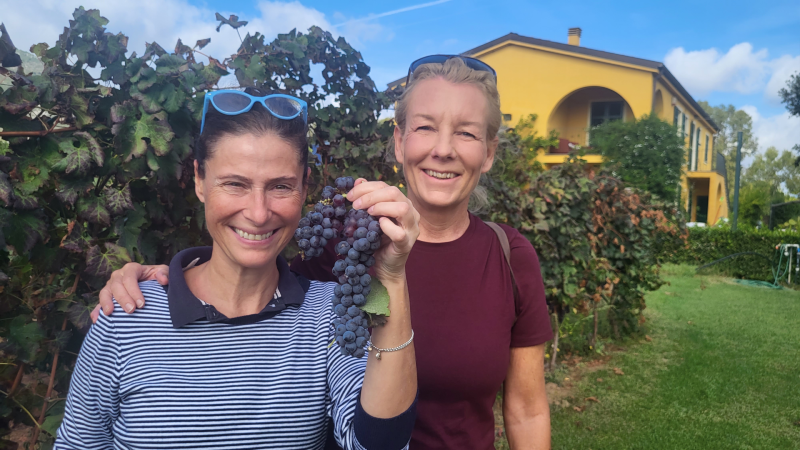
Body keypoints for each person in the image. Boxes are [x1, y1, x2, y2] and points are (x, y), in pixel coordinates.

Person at [95, 56, 553, 449]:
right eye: (426, 127)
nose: (443, 149)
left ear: (490, 152)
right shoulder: (343, 238)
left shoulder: (509, 255)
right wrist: (169, 277)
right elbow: (254, 268)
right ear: (398, 140)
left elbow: (528, 410)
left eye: (468, 134)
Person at [56, 89, 419, 450]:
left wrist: (392, 276)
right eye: (234, 184)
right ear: (199, 180)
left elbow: (377, 445)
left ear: (304, 186)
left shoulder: (328, 314)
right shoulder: (126, 315)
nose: (258, 213)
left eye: (280, 186)